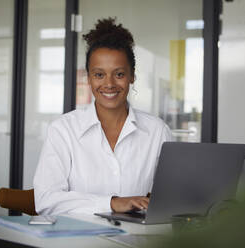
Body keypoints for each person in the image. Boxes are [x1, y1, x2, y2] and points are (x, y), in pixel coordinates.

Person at [33, 18, 171, 216]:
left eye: (119, 74)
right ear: (88, 77)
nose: (109, 84)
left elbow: (171, 198)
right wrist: (112, 203)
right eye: (99, 75)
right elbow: (46, 201)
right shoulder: (63, 130)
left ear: (132, 76)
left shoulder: (158, 132)